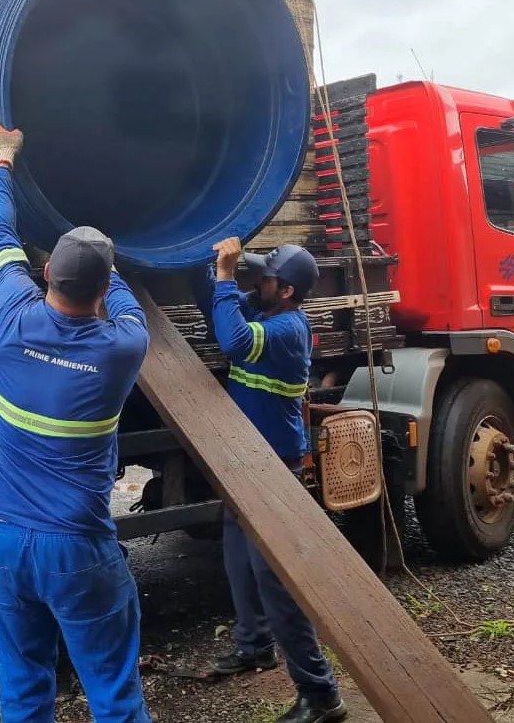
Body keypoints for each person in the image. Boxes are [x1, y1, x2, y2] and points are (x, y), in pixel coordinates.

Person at [0, 120, 153, 723]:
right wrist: (111, 265)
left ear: (46, 271)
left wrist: (2, 160)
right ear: (102, 287)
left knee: (22, 689)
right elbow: (127, 306)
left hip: (1, 540)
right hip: (75, 549)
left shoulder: (9, 319)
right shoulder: (121, 349)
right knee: (113, 694)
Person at [193, 237, 346, 723]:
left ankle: (321, 694)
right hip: (245, 459)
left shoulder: (286, 328)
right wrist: (201, 262)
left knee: (275, 579)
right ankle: (254, 645)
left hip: (274, 468)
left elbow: (234, 342)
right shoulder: (263, 309)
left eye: (265, 278)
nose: (256, 282)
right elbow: (214, 305)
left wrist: (224, 276)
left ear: (286, 291)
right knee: (238, 558)